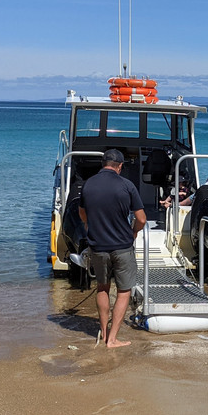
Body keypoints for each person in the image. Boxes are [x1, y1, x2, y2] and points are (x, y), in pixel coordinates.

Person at [79, 149, 146, 348]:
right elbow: (141, 219)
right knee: (124, 291)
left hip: (98, 246)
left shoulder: (89, 184)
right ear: (120, 166)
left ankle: (104, 331)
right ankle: (112, 339)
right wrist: (133, 233)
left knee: (102, 288)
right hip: (122, 247)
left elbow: (82, 214)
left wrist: (90, 227)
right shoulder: (126, 185)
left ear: (103, 164)